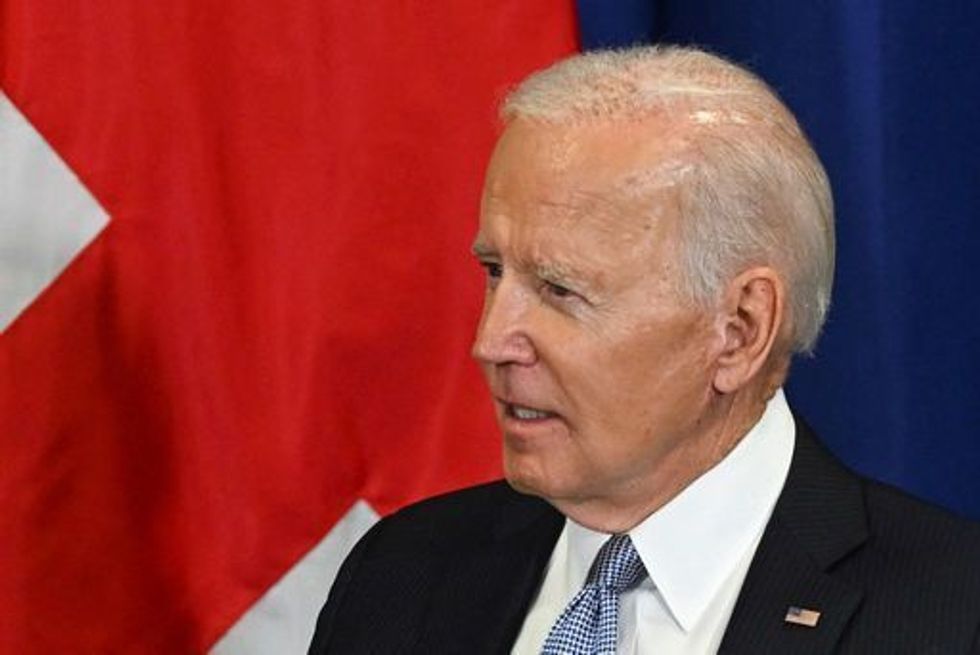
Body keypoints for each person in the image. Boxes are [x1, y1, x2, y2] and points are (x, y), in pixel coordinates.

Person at [308, 45, 980, 654]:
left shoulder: (950, 617)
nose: (491, 342)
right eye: (494, 272)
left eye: (559, 289)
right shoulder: (401, 574)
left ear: (740, 329)